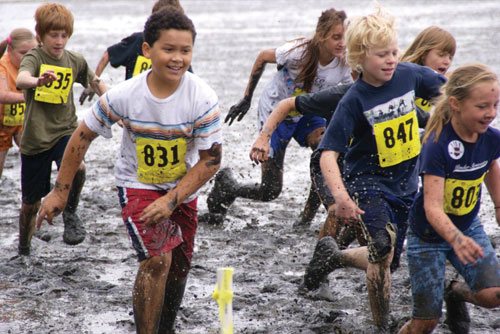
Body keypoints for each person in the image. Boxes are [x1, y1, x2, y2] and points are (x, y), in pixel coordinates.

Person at [37, 8, 221, 334]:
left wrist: (172, 199)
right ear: (147, 51)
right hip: (136, 182)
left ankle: (166, 327)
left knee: (179, 266)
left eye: (185, 50)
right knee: (157, 259)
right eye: (169, 49)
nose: (177, 58)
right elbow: (82, 135)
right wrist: (60, 191)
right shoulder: (125, 95)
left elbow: (210, 160)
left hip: (182, 188)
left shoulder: (202, 98)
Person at [299, 7, 446, 331]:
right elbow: (328, 155)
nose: (391, 59)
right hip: (367, 181)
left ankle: (333, 257)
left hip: (406, 182)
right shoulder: (354, 99)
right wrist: (340, 197)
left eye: (394, 51)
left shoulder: (409, 75)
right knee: (381, 249)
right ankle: (382, 326)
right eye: (382, 55)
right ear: (358, 59)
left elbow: (450, 94)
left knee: (389, 261)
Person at [202, 8, 352, 225]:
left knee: (324, 156)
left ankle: (305, 219)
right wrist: (246, 99)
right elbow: (263, 56)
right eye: (336, 37)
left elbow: (350, 94)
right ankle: (229, 187)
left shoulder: (344, 62)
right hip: (276, 112)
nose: (341, 43)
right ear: (321, 36)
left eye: (345, 38)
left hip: (308, 112)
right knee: (270, 190)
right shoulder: (297, 52)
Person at [398, 64, 500, 334]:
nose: (490, 113)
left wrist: (498, 204)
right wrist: (456, 240)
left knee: (494, 295)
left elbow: (490, 164)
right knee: (426, 323)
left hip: (468, 229)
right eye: (482, 106)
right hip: (428, 237)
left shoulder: (491, 138)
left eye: (495, 105)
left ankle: (453, 292)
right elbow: (432, 208)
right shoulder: (436, 145)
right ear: (455, 104)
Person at [16, 3, 107, 255]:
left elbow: (96, 83)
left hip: (66, 131)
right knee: (30, 205)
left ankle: (70, 211)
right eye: (53, 35)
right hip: (35, 140)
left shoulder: (75, 60)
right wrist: (38, 81)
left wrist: (115, 107)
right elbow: (20, 79)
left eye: (63, 35)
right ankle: (24, 246)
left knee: (78, 166)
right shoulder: (34, 57)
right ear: (40, 35)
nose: (58, 41)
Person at [78, 0, 184, 104]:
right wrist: (94, 85)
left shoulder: (178, 54)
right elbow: (108, 54)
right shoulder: (138, 41)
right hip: (133, 105)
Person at [401, 26, 456, 127]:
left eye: (450, 57)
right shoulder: (404, 78)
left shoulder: (443, 83)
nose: (447, 61)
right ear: (423, 54)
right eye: (441, 55)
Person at [0, 29, 37, 180]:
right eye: (23, 53)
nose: (28, 58)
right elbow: (1, 95)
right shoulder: (3, 66)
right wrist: (26, 98)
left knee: (34, 158)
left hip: (20, 123)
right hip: (1, 126)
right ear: (10, 50)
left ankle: (32, 199)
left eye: (32, 53)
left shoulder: (32, 66)